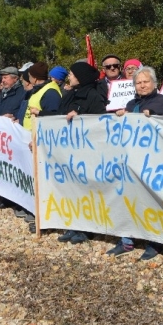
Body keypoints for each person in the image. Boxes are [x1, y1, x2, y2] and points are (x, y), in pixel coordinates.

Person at [109, 66, 163, 260]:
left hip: (156, 161)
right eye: (138, 82)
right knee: (129, 201)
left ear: (155, 83)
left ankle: (155, 242)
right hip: (132, 161)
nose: (142, 85)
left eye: (146, 81)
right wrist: (122, 117)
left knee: (152, 202)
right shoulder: (131, 104)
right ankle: (127, 240)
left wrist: (154, 114)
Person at [55, 62, 107, 245]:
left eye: (72, 74)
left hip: (87, 152)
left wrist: (81, 117)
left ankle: (87, 229)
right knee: (72, 189)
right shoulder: (70, 94)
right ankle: (74, 224)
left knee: (86, 190)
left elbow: (100, 122)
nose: (69, 77)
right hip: (69, 150)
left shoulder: (94, 96)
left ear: (81, 76)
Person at [23, 62, 62, 130]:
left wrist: (39, 113)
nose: (28, 79)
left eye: (29, 76)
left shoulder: (50, 93)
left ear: (35, 78)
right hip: (29, 136)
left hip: (39, 137)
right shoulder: (37, 90)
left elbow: (54, 117)